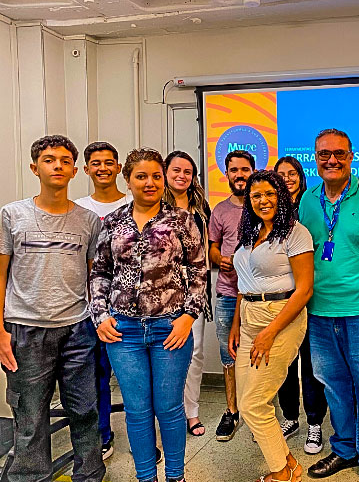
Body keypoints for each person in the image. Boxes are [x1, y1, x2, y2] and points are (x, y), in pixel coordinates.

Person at [90, 148, 207, 482]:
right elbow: (100, 272)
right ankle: (146, 477)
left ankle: (175, 476)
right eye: (141, 176)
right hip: (123, 332)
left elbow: (199, 271)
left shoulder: (181, 220)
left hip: (170, 329)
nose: (150, 182)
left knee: (169, 408)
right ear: (128, 180)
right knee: (137, 410)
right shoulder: (113, 222)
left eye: (156, 176)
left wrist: (189, 316)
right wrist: (100, 316)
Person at [0, 135, 105, 482]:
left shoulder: (89, 221)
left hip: (78, 329)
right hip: (25, 329)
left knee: (85, 410)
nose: (57, 165)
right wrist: (0, 332)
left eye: (64, 161)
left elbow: (93, 277)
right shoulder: (12, 215)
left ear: (75, 170)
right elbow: (0, 275)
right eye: (48, 159)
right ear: (35, 168)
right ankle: (30, 477)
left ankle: (90, 474)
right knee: (29, 417)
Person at [299, 128, 359, 482]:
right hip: (320, 312)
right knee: (334, 387)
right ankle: (344, 450)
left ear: (351, 157)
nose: (332, 160)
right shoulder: (308, 199)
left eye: (339, 153)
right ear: (315, 158)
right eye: (324, 154)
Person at [228, 170, 314, 482]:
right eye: (256, 195)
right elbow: (244, 282)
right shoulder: (251, 233)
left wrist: (270, 332)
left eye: (269, 193)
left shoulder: (296, 233)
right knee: (246, 401)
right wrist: (236, 324)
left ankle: (281, 473)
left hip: (280, 317)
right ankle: (289, 463)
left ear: (282, 196)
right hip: (249, 316)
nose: (263, 200)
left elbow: (304, 290)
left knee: (253, 403)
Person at [75, 141, 132, 459]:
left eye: (109, 162)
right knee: (96, 376)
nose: (103, 168)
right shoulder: (79, 209)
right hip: (93, 308)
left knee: (135, 379)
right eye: (96, 163)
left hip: (131, 308)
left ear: (118, 167)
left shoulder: (133, 204)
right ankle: (103, 434)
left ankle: (142, 438)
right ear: (86, 169)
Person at [274, 156, 327, 454]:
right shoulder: (269, 210)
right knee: (285, 362)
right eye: (281, 174)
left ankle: (315, 423)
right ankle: (290, 417)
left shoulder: (313, 205)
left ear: (301, 176)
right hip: (281, 297)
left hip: (309, 295)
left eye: (292, 173)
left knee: (311, 363)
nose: (287, 178)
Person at [163, 151, 212, 438]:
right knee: (165, 351)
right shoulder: (154, 204)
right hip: (162, 288)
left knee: (195, 351)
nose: (182, 176)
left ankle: (191, 412)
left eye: (188, 172)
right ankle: (168, 414)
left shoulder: (200, 206)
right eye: (176, 170)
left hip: (195, 285)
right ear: (165, 173)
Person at [208, 150, 255, 441]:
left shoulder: (263, 205)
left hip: (258, 296)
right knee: (229, 354)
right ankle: (232, 411)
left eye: (245, 169)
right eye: (234, 170)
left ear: (253, 172)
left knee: (260, 354)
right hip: (228, 293)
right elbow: (212, 247)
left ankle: (257, 412)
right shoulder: (220, 211)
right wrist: (219, 258)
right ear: (227, 174)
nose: (240, 175)